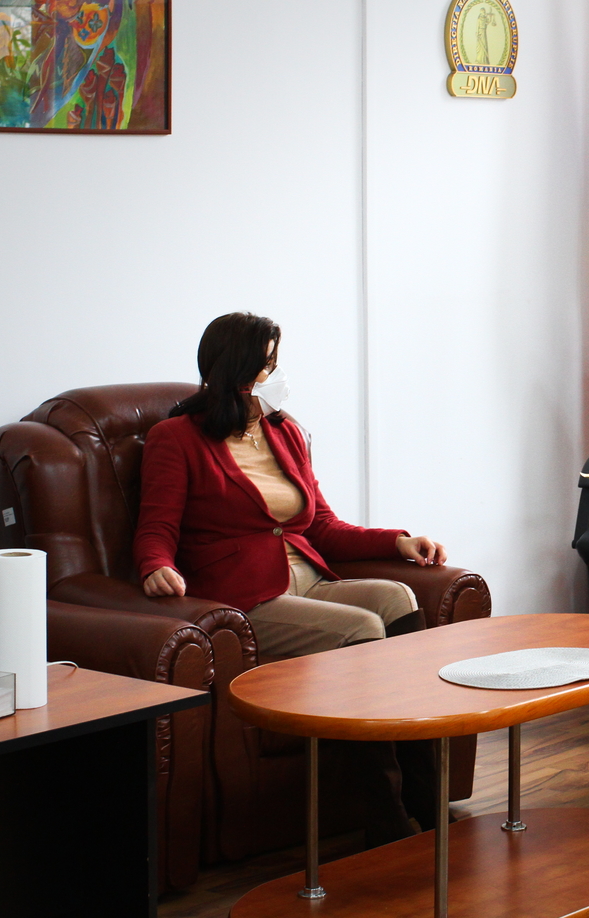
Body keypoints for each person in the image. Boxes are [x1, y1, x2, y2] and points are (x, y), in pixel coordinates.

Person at [134, 311, 447, 843]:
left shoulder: (285, 431)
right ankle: (387, 827)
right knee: (361, 630)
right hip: (247, 595)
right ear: (239, 372)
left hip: (309, 577)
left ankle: (431, 808)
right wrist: (156, 567)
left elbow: (322, 526)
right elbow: (156, 527)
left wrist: (396, 541)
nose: (278, 376)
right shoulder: (176, 439)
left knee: (397, 598)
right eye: (269, 365)